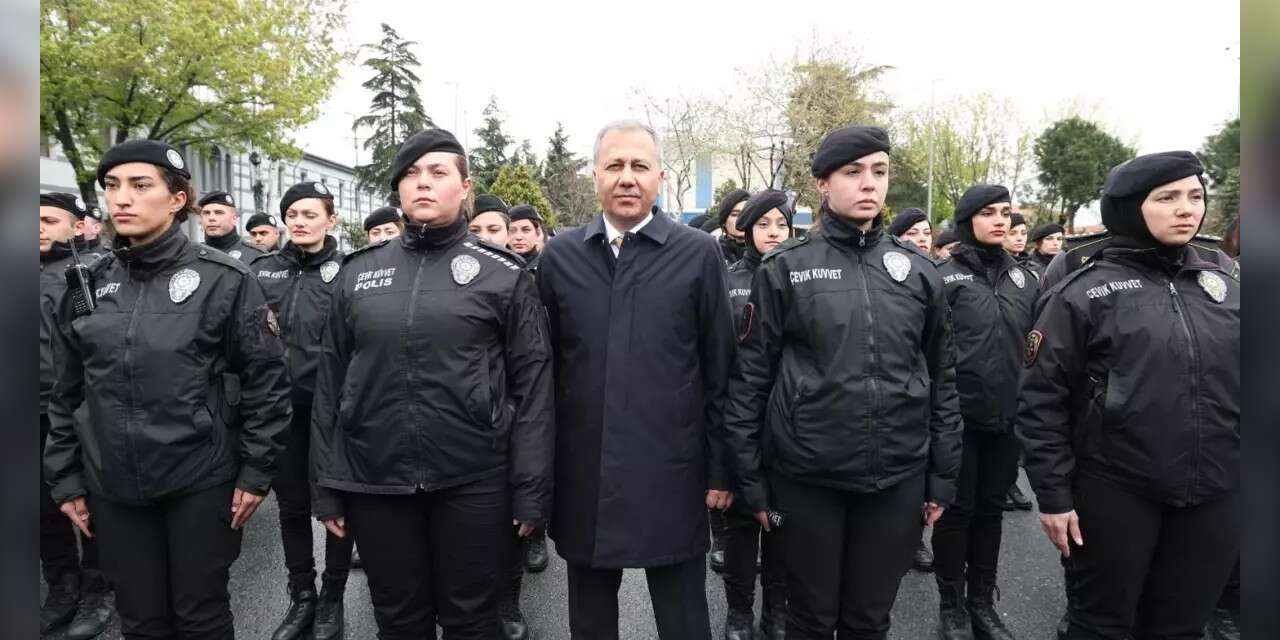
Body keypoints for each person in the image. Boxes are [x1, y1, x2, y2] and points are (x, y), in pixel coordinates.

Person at [310, 128, 553, 640]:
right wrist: (326, 486)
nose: (423, 183)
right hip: (376, 480)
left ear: (464, 187)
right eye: (411, 174)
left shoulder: (503, 274)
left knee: (472, 621)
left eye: (438, 172)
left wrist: (531, 488)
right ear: (398, 189)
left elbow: (533, 388)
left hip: (475, 478)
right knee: (399, 620)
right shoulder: (358, 274)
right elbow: (330, 382)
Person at [44, 139, 292, 639]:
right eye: (113, 186)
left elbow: (266, 381)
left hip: (198, 479)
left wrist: (255, 472)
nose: (122, 198)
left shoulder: (223, 278)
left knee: (200, 616)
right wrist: (66, 476)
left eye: (140, 185)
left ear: (177, 199)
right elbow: (68, 389)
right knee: (141, 618)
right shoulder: (88, 283)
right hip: (113, 483)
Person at [725, 125, 963, 639]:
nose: (868, 183)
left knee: (869, 620)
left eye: (879, 171)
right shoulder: (785, 269)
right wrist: (751, 481)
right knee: (810, 619)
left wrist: (942, 475)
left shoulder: (919, 271)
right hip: (807, 480)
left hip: (895, 478)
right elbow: (750, 381)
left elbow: (942, 377)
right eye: (853, 172)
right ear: (822, 184)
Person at [1018, 151, 1239, 639]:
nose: (1186, 209)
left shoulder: (1225, 284)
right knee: (1101, 626)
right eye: (1167, 198)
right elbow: (1040, 400)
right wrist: (1053, 496)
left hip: (1216, 490)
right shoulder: (1083, 290)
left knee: (1181, 625)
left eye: (1195, 196)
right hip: (1115, 489)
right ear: (1129, 207)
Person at [536, 119, 736, 640]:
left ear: (660, 177)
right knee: (590, 622)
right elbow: (545, 373)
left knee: (684, 620)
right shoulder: (560, 257)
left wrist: (721, 469)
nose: (627, 177)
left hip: (673, 471)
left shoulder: (697, 253)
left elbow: (720, 369)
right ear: (596, 176)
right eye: (615, 165)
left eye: (640, 166)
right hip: (585, 470)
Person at [932, 184, 1038, 640]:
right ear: (966, 220)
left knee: (991, 512)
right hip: (955, 420)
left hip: (1007, 420)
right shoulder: (942, 277)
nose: (1000, 220)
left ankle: (981, 602)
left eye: (1005, 212)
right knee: (956, 512)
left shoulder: (1026, 280)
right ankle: (951, 604)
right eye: (988, 212)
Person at [253, 181, 351, 640]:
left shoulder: (348, 271)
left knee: (337, 507)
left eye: (310, 214)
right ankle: (302, 594)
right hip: (281, 411)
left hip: (333, 413)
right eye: (292, 214)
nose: (299, 221)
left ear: (331, 219)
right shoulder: (262, 271)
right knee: (291, 507)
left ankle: (333, 595)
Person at [39, 192, 114, 640]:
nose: (37, 228)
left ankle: (97, 588)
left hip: (77, 410)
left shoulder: (94, 273)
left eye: (49, 220)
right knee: (40, 508)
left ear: (76, 226)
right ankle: (61, 586)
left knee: (89, 503)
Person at [720, 189, 792, 640]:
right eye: (763, 224)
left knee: (782, 524)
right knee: (743, 526)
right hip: (741, 421)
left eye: (782, 224)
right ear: (746, 230)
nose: (773, 233)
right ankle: (739, 611)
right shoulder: (728, 280)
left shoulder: (799, 275)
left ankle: (777, 610)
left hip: (790, 426)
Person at [198, 190, 265, 264]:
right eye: (206, 213)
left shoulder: (256, 256)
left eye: (218, 213)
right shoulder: (192, 254)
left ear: (234, 218)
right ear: (200, 219)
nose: (211, 218)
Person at [714, 188, 750, 264]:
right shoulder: (714, 253)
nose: (741, 218)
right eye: (735, 215)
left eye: (746, 213)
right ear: (724, 222)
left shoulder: (764, 253)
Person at [507, 204, 546, 274]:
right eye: (512, 231)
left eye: (526, 230)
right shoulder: (497, 267)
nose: (518, 237)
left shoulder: (547, 269)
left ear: (537, 233)